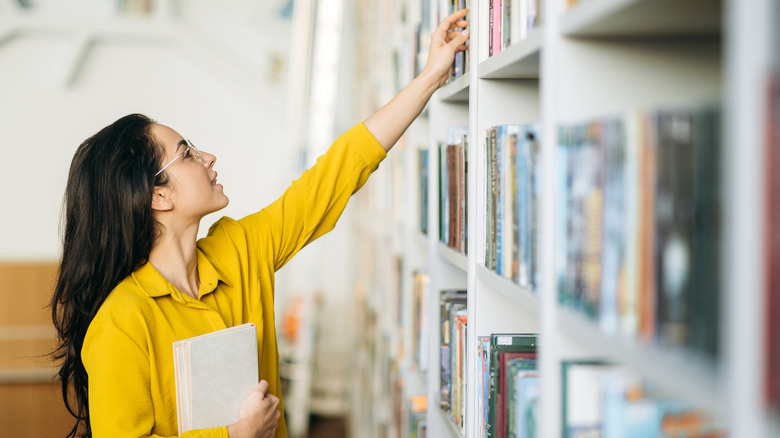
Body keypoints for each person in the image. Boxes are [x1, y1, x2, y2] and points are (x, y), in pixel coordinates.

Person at [50, 9, 469, 438]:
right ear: (159, 195)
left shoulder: (239, 250)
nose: (208, 157)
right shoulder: (121, 320)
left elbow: (335, 175)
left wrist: (429, 78)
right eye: (188, 152)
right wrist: (233, 437)